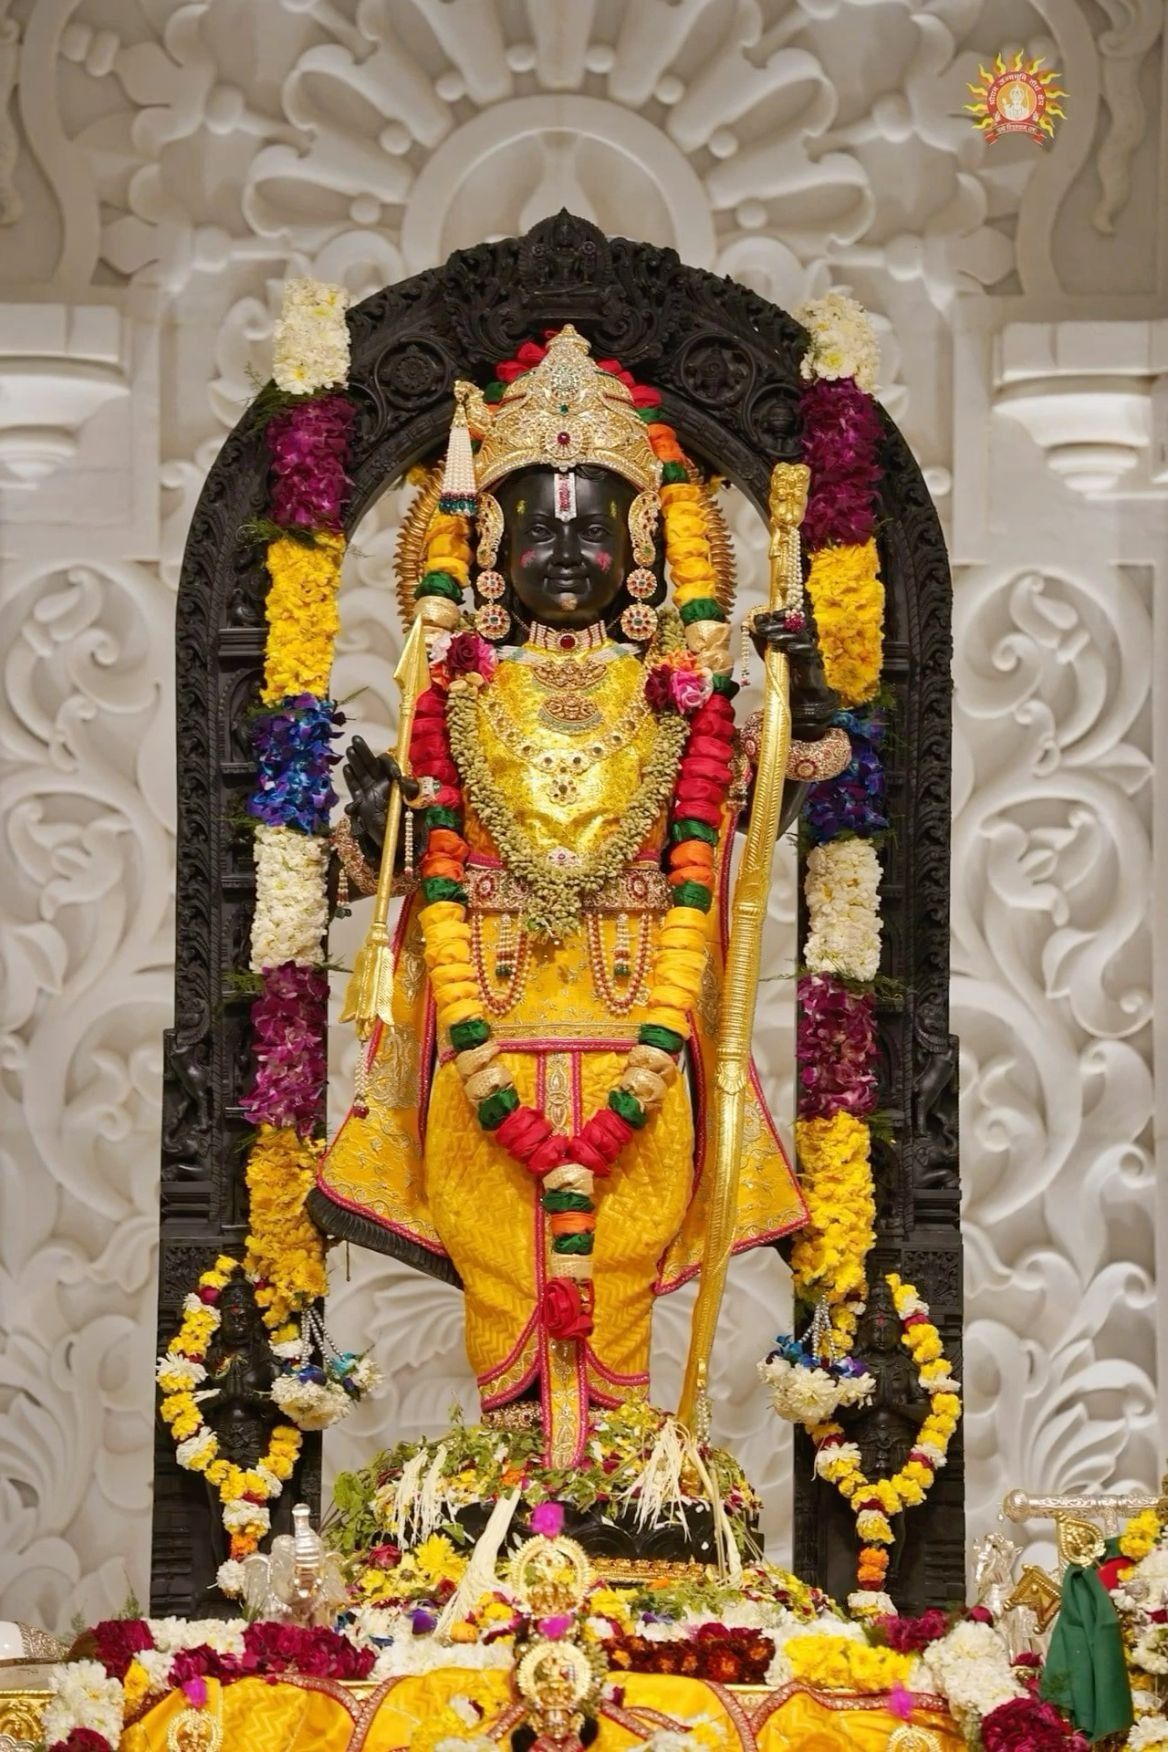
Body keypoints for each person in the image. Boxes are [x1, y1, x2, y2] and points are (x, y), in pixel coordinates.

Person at [310, 327, 839, 1466]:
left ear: (641, 546)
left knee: (629, 1256)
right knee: (496, 1256)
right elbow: (391, 857)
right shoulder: (447, 693)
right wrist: (366, 823)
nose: (561, 548)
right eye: (534, 527)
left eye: (588, 524)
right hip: (478, 1018)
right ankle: (506, 1500)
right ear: (485, 548)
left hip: (636, 1014)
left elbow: (761, 799)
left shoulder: (680, 695)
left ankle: (629, 1495)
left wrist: (808, 696)